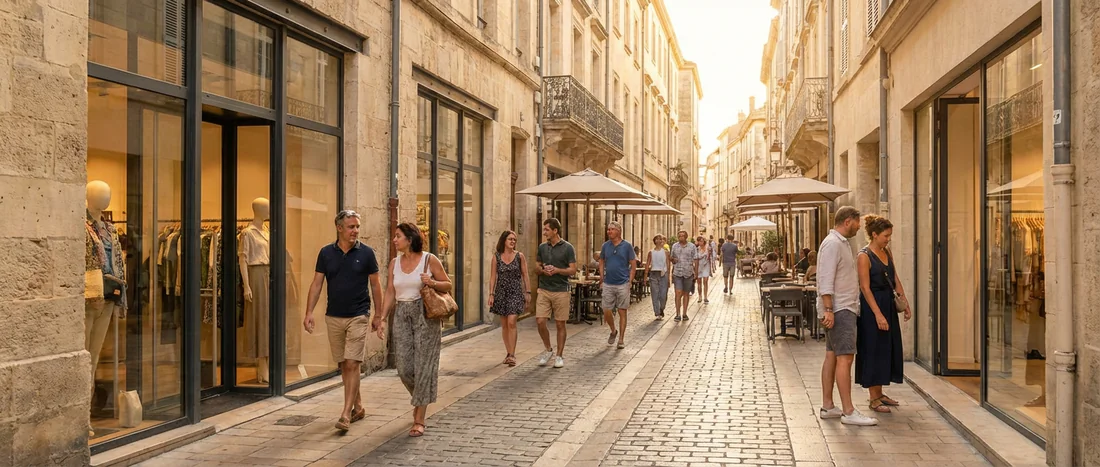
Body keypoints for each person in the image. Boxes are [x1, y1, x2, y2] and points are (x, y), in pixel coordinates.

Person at [304, 210, 383, 432]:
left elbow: (376, 285)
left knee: (352, 363)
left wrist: (378, 315)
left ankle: (346, 414)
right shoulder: (326, 253)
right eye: (351, 227)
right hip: (334, 316)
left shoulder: (367, 253)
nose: (355, 231)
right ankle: (358, 406)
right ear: (339, 228)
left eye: (357, 226)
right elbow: (317, 283)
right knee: (343, 364)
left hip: (359, 314)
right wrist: (309, 312)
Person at [377, 222, 451, 437]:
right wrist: (382, 318)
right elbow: (390, 291)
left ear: (409, 239)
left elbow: (447, 284)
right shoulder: (394, 263)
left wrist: (432, 282)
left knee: (424, 366)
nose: (394, 240)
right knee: (404, 368)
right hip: (401, 314)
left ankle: (419, 418)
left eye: (398, 236)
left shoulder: (429, 260)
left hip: (424, 314)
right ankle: (421, 397)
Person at [817, 206, 878, 426]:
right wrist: (829, 309)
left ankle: (828, 406)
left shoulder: (840, 243)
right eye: (857, 222)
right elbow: (825, 278)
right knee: (845, 358)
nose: (860, 226)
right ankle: (849, 411)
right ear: (848, 221)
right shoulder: (833, 244)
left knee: (832, 355)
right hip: (840, 308)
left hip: (841, 307)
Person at [855, 215, 910, 413]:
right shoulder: (864, 256)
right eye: (886, 235)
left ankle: (880, 393)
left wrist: (905, 303)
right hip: (873, 308)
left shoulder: (887, 251)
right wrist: (878, 314)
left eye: (890, 236)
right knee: (873, 348)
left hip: (888, 304)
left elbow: (894, 278)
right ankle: (873, 397)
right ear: (874, 234)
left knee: (887, 347)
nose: (888, 239)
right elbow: (865, 288)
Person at [535, 218, 577, 369]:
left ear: (555, 231)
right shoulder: (542, 247)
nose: (544, 232)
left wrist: (558, 270)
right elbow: (536, 267)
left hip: (561, 290)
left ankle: (559, 355)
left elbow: (572, 270)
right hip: (544, 289)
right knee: (540, 321)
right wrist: (543, 270)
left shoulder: (568, 248)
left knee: (560, 324)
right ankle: (548, 350)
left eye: (547, 229)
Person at [488, 230, 530, 367]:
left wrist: (527, 292)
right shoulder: (497, 257)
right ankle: (508, 352)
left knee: (512, 322)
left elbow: (525, 274)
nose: (512, 242)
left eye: (514, 240)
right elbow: (493, 277)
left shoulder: (519, 256)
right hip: (501, 293)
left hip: (515, 292)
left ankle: (512, 354)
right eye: (510, 239)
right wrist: (491, 294)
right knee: (505, 325)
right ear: (504, 241)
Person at [599, 221, 636, 349]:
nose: (609, 231)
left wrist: (630, 280)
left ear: (618, 231)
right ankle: (613, 330)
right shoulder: (605, 246)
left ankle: (621, 339)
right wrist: (602, 278)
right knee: (606, 310)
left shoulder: (627, 246)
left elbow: (633, 264)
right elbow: (601, 261)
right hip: (608, 283)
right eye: (608, 229)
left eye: (612, 229)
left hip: (623, 283)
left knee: (622, 311)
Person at [670, 230, 699, 322]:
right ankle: (677, 313)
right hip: (677, 272)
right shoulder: (674, 246)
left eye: (683, 236)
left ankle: (684, 313)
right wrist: (673, 260)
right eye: (679, 236)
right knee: (678, 292)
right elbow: (671, 258)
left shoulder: (692, 246)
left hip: (688, 273)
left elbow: (696, 259)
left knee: (686, 293)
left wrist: (696, 272)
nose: (681, 237)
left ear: (686, 237)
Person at [645, 235, 672, 319]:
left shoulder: (666, 252)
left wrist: (668, 277)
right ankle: (657, 312)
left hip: (663, 273)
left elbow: (668, 264)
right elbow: (647, 264)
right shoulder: (651, 252)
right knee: (655, 294)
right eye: (657, 239)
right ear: (655, 241)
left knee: (663, 294)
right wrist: (645, 276)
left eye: (661, 239)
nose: (659, 240)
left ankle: (661, 308)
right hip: (654, 273)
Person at [695, 236, 715, 304]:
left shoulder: (708, 248)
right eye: (699, 241)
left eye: (701, 241)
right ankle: (700, 296)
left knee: (705, 281)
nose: (700, 242)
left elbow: (710, 257)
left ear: (704, 241)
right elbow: (695, 258)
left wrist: (711, 268)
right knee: (699, 282)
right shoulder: (697, 249)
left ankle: (705, 297)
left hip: (706, 265)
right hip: (699, 266)